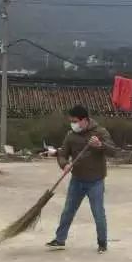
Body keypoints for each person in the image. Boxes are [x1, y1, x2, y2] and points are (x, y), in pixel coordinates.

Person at [46, 105, 117, 254]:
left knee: (98, 213)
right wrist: (64, 165)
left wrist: (100, 145)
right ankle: (60, 239)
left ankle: (102, 243)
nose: (73, 124)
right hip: (77, 180)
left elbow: (113, 151)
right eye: (71, 121)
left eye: (75, 121)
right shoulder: (71, 135)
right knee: (68, 211)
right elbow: (62, 153)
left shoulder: (100, 132)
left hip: (95, 181)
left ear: (84, 120)